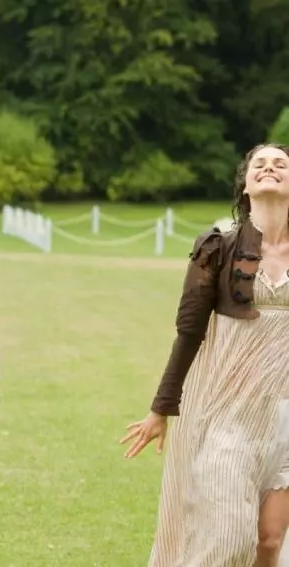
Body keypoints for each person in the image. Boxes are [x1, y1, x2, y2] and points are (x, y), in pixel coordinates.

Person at [121, 143, 289, 566]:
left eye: (281, 164)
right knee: (230, 538)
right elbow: (188, 332)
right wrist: (161, 407)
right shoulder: (219, 247)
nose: (270, 168)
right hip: (228, 413)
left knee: (270, 542)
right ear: (245, 184)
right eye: (260, 164)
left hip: (285, 417)